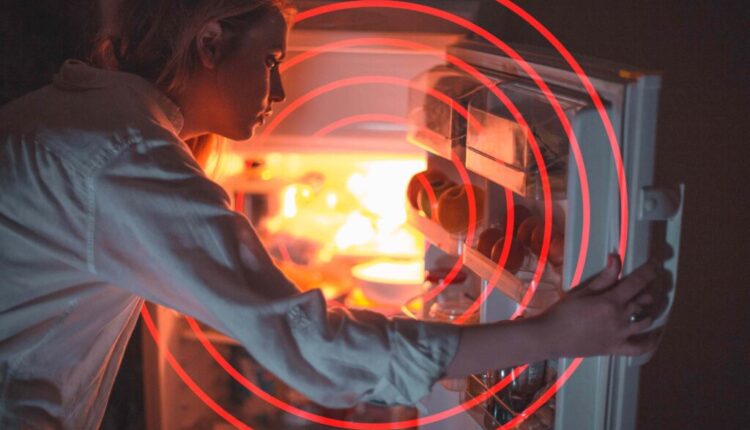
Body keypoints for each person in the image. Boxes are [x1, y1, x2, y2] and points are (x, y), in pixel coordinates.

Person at [0, 0, 666, 428]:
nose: (279, 87)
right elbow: (306, 346)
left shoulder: (88, 118)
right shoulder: (123, 159)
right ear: (209, 42)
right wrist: (551, 334)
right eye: (271, 60)